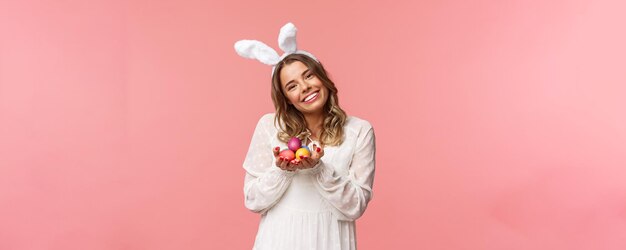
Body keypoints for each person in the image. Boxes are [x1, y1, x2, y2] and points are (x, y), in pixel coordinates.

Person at [235, 22, 376, 250]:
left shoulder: (359, 131)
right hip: (277, 240)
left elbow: (356, 206)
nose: (305, 87)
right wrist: (282, 171)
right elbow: (252, 200)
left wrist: (319, 170)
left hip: (331, 241)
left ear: (322, 77)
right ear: (286, 99)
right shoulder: (269, 126)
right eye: (292, 86)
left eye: (308, 76)